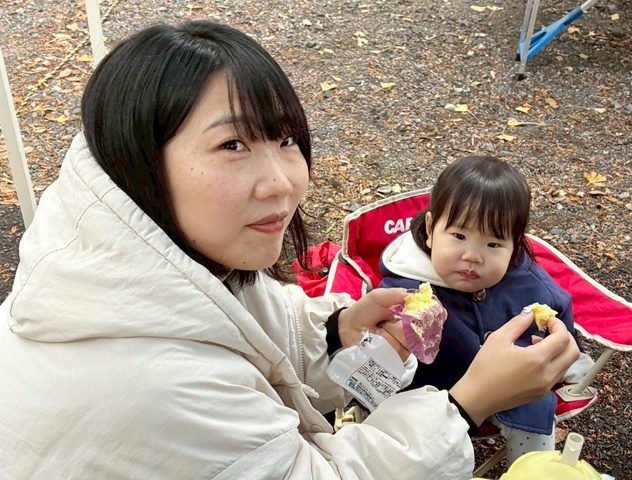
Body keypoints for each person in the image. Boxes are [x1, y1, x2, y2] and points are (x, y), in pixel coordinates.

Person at [0, 22, 579, 479]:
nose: (283, 182)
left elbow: (252, 331)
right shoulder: (148, 383)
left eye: (285, 139)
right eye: (232, 144)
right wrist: (467, 404)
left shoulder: (158, 264)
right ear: (137, 162)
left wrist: (338, 331)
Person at [379, 155, 594, 465]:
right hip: (435, 392)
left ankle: (530, 467)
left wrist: (560, 349)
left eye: (493, 244)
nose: (473, 256)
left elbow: (556, 308)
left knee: (534, 406)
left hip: (512, 381)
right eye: (459, 236)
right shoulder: (404, 287)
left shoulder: (522, 276)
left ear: (515, 244)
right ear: (431, 228)